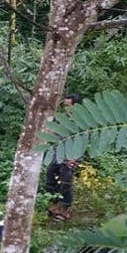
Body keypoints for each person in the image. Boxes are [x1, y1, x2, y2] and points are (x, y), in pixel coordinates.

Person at [46, 93, 82, 221]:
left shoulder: (80, 121)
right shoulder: (61, 118)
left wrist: (75, 158)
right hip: (56, 153)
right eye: (65, 105)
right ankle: (54, 205)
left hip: (70, 156)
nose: (66, 108)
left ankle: (64, 209)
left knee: (66, 183)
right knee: (49, 177)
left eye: (68, 105)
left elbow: (82, 141)